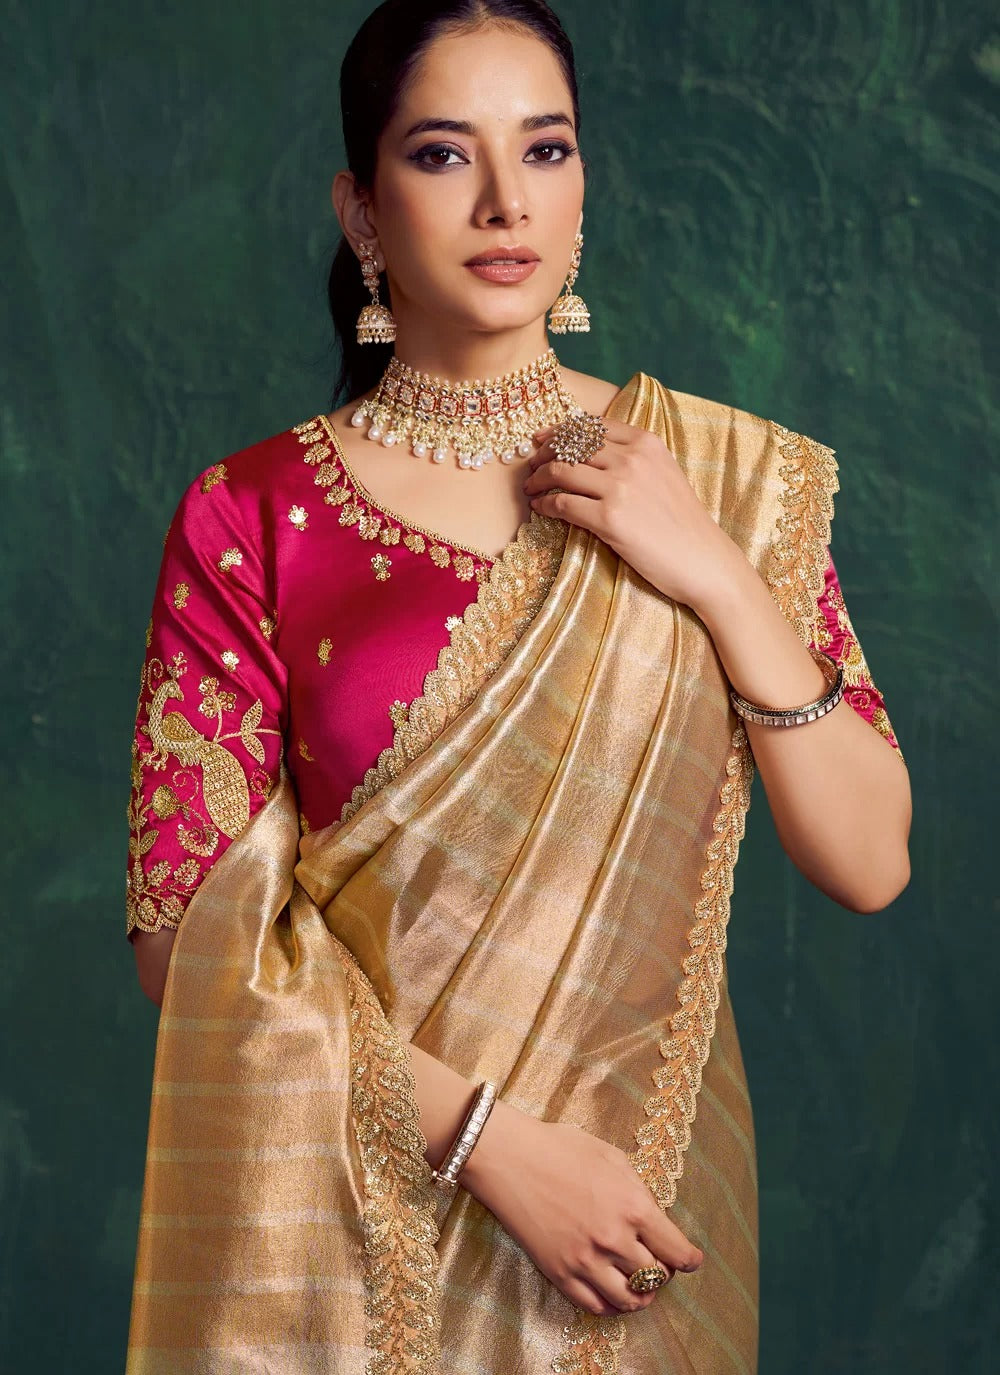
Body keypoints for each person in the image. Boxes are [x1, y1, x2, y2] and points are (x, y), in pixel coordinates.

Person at [124, 3, 912, 1372]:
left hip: (634, 1229)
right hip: (344, 1245)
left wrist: (718, 578)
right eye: (443, 155)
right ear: (361, 210)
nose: (506, 201)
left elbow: (869, 861)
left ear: (584, 182)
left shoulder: (723, 481)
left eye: (545, 149)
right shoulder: (250, 514)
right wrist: (490, 1145)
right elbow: (187, 940)